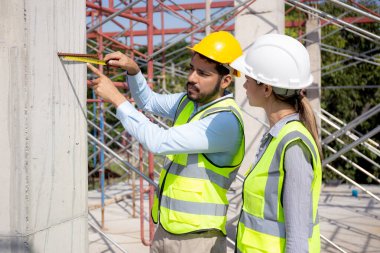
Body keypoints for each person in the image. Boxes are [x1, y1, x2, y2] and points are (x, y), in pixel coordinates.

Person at [87, 31, 245, 253]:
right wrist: (133, 71)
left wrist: (116, 98)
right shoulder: (189, 103)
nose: (191, 77)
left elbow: (159, 142)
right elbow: (149, 102)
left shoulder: (224, 121)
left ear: (225, 80)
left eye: (202, 73)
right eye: (191, 68)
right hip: (167, 229)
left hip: (198, 239)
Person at [230, 34, 322, 253]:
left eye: (249, 78)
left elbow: (298, 239)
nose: (244, 84)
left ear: (267, 89)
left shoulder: (293, 145)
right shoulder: (278, 135)